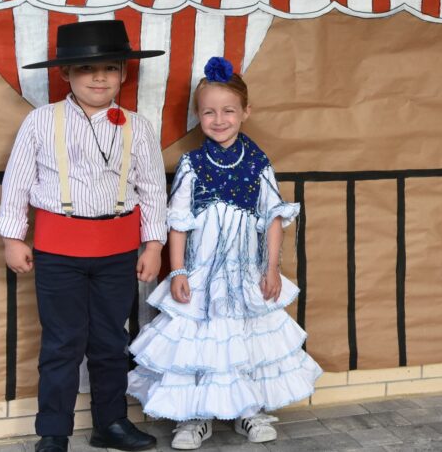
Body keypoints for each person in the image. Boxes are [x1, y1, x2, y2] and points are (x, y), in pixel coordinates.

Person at [128, 56, 321, 450]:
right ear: (198, 115)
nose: (219, 120)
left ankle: (248, 410)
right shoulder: (192, 164)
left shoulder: (258, 162)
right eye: (209, 112)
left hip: (246, 272)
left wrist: (271, 269)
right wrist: (178, 271)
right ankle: (195, 416)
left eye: (228, 111)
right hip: (202, 273)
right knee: (200, 342)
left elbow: (272, 219)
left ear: (245, 112)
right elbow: (178, 221)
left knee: (245, 341)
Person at [0, 20, 168, 452]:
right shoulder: (40, 121)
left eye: (109, 67)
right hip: (59, 251)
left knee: (111, 340)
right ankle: (53, 432)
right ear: (66, 74)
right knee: (62, 343)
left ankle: (110, 423)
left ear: (124, 73)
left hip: (118, 250)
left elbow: (152, 189)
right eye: (87, 68)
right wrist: (13, 237)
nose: (99, 77)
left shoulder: (138, 126)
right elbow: (17, 183)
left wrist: (154, 244)